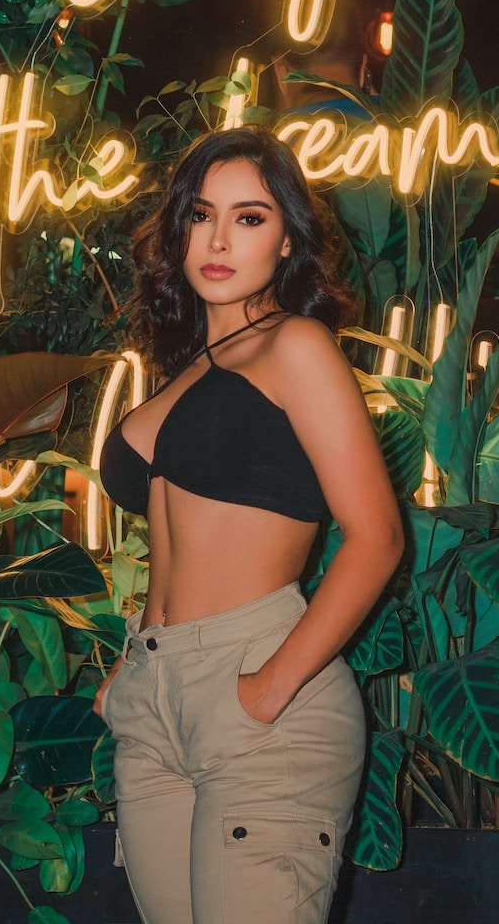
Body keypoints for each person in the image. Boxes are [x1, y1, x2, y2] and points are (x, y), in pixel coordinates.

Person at [95, 126, 403, 924]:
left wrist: (267, 689)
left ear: (289, 239)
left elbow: (377, 537)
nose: (220, 238)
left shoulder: (296, 347)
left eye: (251, 217)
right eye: (202, 215)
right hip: (155, 696)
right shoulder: (191, 366)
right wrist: (134, 665)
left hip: (257, 686)